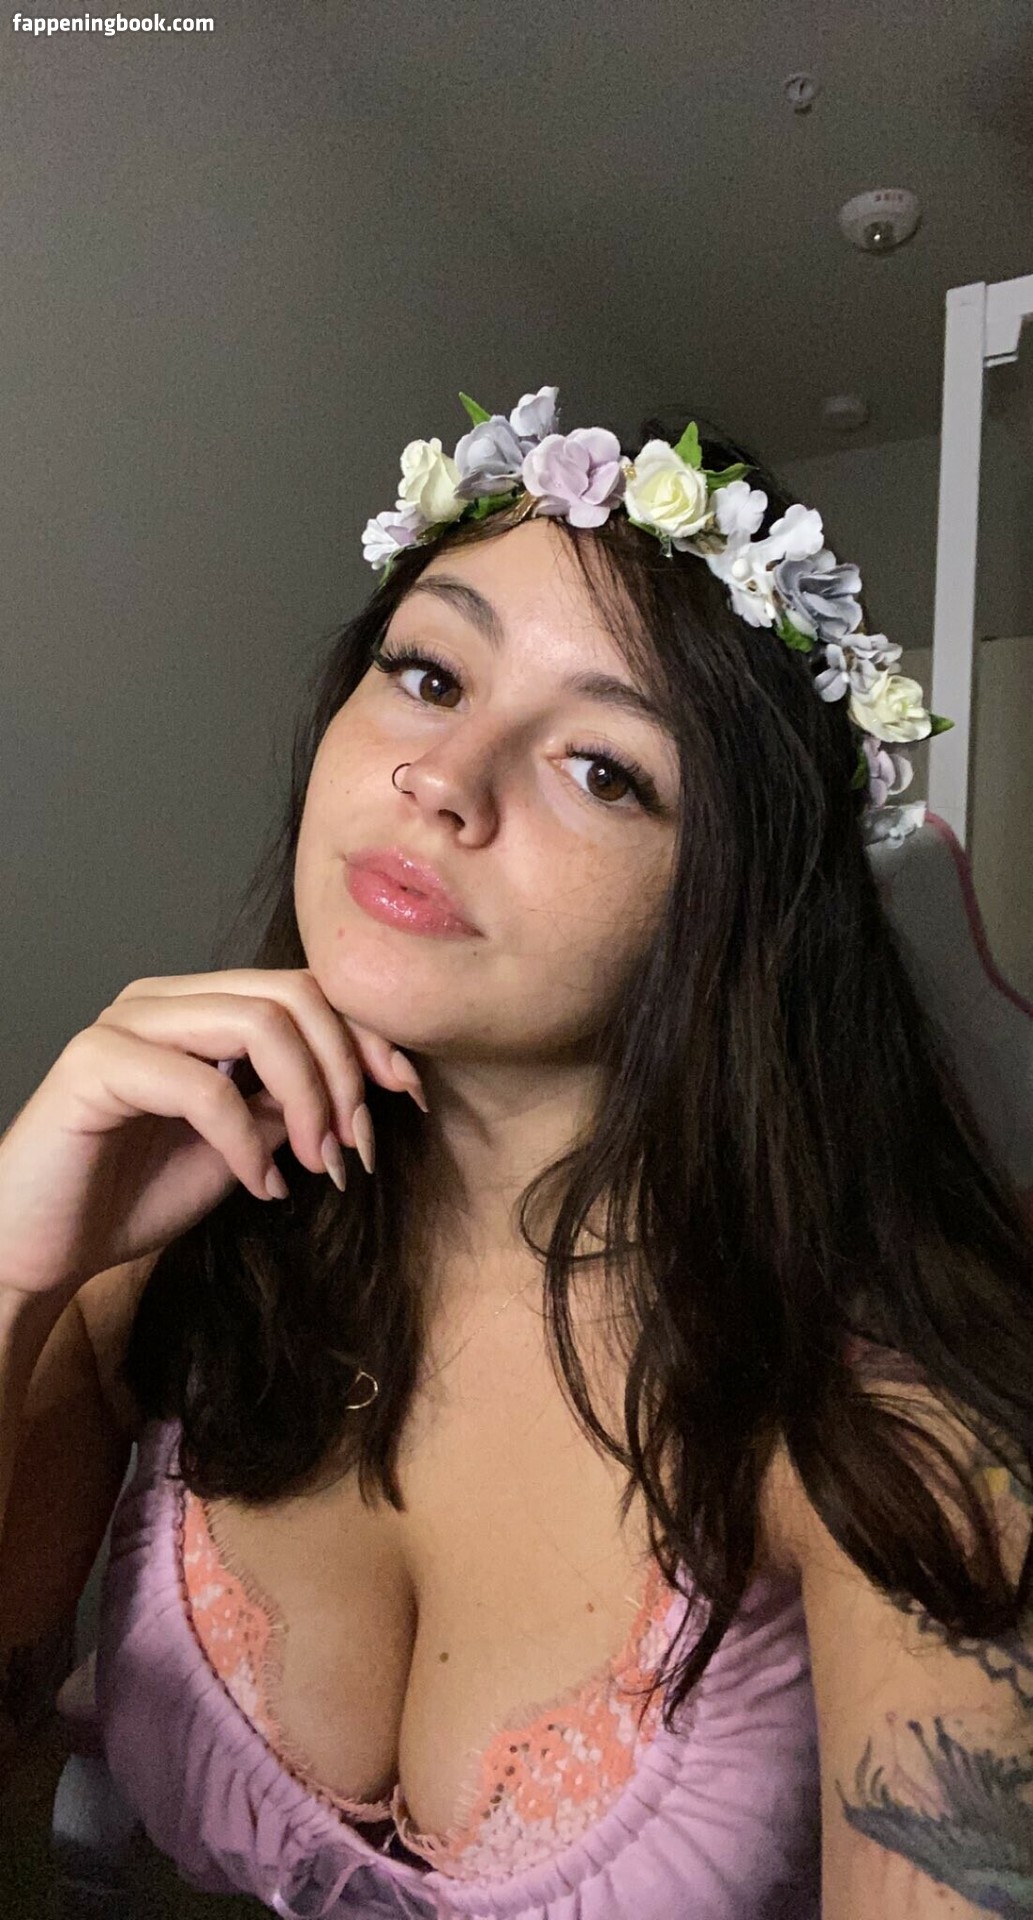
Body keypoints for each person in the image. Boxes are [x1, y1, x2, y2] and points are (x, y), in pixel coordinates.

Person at [0, 386, 1030, 1920]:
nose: (445, 776)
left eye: (602, 766)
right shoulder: (146, 1270)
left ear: (727, 911)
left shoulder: (884, 1433)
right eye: (427, 674)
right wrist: (12, 1270)